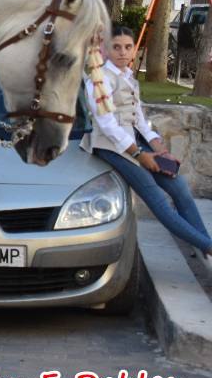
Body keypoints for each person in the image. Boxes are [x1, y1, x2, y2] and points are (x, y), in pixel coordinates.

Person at [83, 25, 212, 257]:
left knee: (180, 188)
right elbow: (108, 125)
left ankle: (204, 246)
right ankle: (208, 247)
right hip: (111, 146)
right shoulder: (98, 80)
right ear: (106, 50)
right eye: (117, 47)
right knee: (157, 199)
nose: (123, 52)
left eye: (128, 47)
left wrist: (159, 149)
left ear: (135, 50)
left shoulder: (129, 77)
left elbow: (140, 119)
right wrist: (139, 154)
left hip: (134, 141)